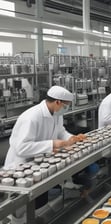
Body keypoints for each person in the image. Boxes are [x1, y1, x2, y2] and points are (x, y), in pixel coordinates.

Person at [4, 86, 85, 224]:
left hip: (40, 162)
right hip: (21, 167)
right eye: (67, 105)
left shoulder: (56, 114)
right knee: (21, 205)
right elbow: (21, 148)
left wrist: (73, 139)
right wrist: (53, 144)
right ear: (58, 102)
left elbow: (61, 132)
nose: (67, 108)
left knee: (39, 199)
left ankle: (32, 219)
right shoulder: (31, 117)